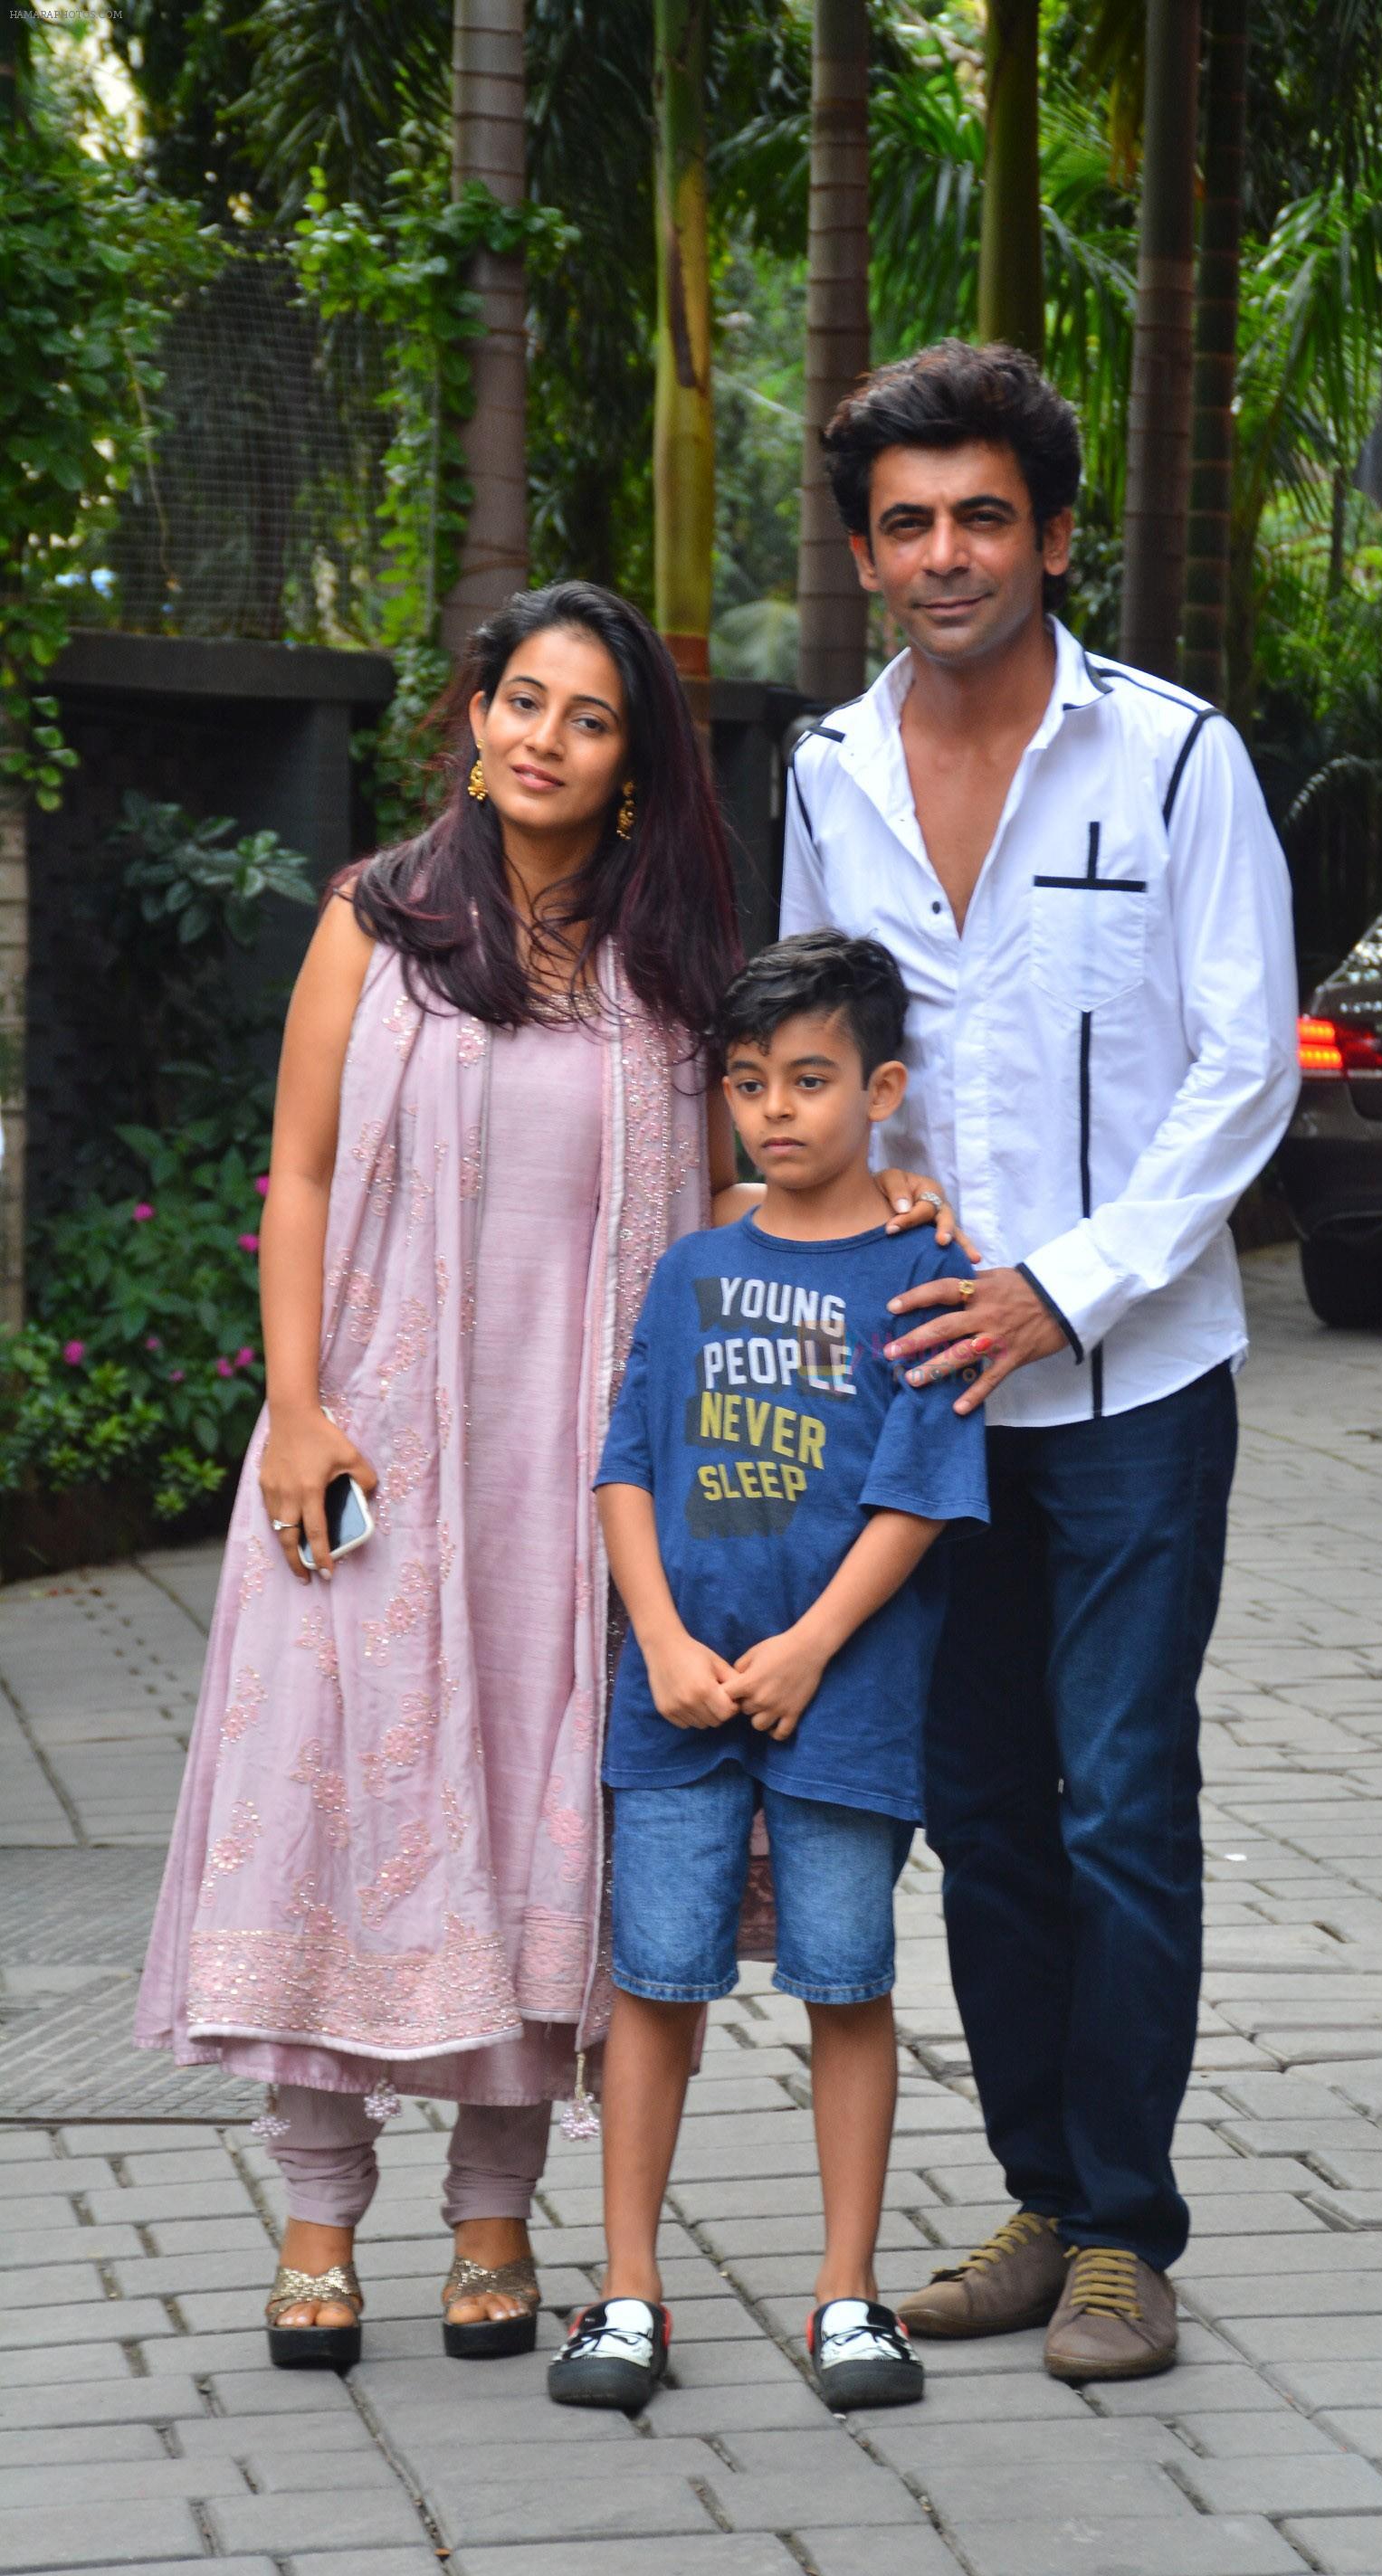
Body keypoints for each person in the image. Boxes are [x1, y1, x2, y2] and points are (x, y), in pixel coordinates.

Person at [136, 584, 955, 2372]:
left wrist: (872, 1197)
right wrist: (292, 1408)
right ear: (474, 715)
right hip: (369, 1450)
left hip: (579, 1481)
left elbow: (734, 1181)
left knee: (532, 1826)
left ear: (634, 762)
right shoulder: (378, 917)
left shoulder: (669, 971)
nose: (542, 739)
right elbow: (299, 1169)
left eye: (586, 717)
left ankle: (495, 2216)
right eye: (521, 700)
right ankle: (317, 2209)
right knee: (334, 1804)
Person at [782, 340, 1298, 2384]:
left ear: (1053, 534)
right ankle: (1039, 2196)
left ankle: (1127, 2230)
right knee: (978, 1809)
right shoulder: (826, 771)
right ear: (860, 552)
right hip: (928, 1382)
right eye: (903, 521)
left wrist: (1062, 1283)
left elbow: (1243, 1065)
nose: (942, 553)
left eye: (980, 513)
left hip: (1133, 1382)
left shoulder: (1173, 760)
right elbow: (831, 1055)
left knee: (1112, 1801)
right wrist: (861, 1206)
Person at [548, 930, 987, 2417]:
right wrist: (663, 1641)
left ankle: (849, 2296)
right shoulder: (691, 1269)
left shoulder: (926, 1271)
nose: (776, 1111)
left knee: (844, 1979)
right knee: (654, 1985)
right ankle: (625, 2294)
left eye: (810, 1080)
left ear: (883, 1090)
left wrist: (808, 1648)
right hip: (672, 1702)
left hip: (845, 1700)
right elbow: (621, 1470)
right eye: (748, 1085)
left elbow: (924, 1491)